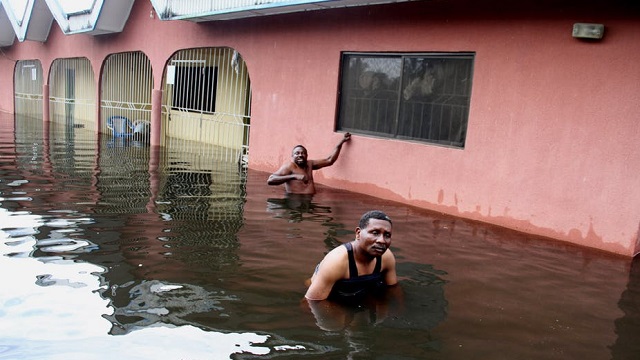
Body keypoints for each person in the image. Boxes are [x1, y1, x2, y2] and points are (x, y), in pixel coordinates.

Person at [305, 210, 398, 303]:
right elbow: (311, 303)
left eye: (387, 235)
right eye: (375, 233)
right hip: (330, 297)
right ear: (358, 233)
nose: (382, 241)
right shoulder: (336, 261)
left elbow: (393, 289)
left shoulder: (386, 257)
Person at [267, 132, 351, 195]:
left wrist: (341, 142)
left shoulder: (310, 164)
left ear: (307, 155)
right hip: (294, 203)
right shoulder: (290, 166)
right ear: (292, 156)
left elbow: (330, 160)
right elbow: (270, 180)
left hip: (309, 202)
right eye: (297, 153)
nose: (300, 155)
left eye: (303, 153)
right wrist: (293, 176)